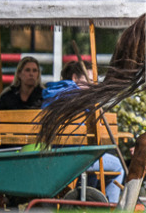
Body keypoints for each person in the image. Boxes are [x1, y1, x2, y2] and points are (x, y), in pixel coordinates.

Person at [43, 60, 126, 204]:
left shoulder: (50, 94)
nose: (92, 85)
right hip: (75, 156)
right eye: (89, 80)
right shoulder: (80, 98)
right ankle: (112, 210)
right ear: (75, 78)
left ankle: (87, 201)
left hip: (54, 154)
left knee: (93, 166)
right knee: (118, 166)